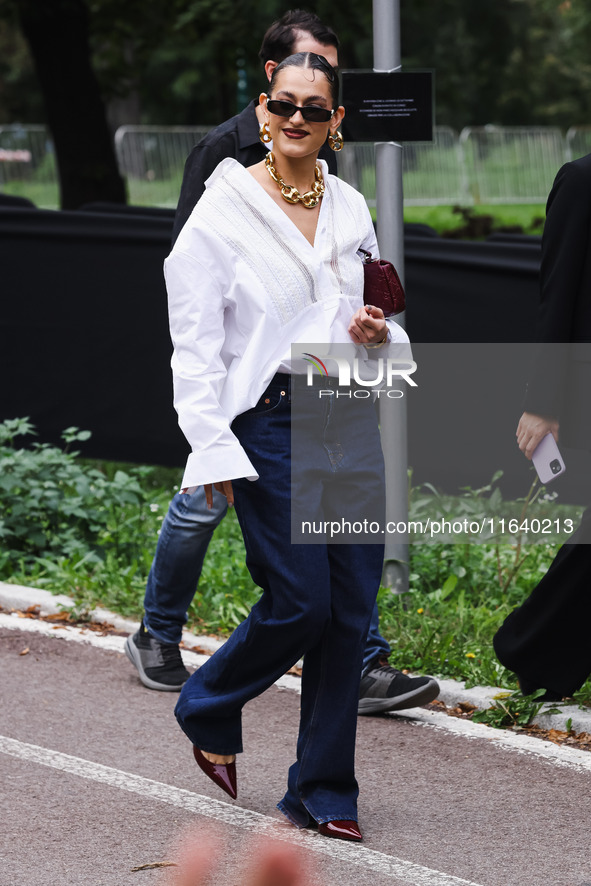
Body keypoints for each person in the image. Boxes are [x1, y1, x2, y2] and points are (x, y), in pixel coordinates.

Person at [125, 9, 439, 716]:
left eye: (322, 96)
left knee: (333, 566)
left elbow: (345, 273)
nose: (305, 110)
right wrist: (215, 415)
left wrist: (365, 325)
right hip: (253, 386)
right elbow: (197, 275)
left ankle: (358, 661)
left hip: (328, 392)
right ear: (269, 82)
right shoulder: (223, 154)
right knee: (202, 502)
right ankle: (158, 631)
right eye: (294, 94)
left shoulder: (333, 167)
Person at [167, 51, 407, 841]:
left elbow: (369, 323)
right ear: (263, 112)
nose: (296, 119)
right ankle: (207, 700)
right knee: (301, 600)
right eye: (283, 105)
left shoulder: (349, 206)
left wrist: (373, 334)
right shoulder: (223, 208)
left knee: (348, 610)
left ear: (337, 123)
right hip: (267, 420)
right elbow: (194, 345)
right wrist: (211, 449)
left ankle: (322, 788)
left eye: (314, 109)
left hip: (344, 413)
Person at [493, 152, 591, 700]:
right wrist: (543, 399)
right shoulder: (582, 180)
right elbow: (559, 293)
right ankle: (532, 646)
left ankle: (535, 648)